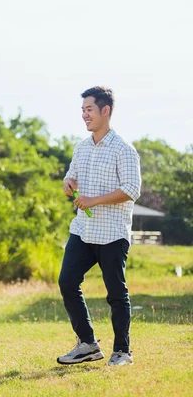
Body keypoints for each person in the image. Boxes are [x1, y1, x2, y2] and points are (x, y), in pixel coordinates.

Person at [57, 87, 141, 366]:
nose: (84, 115)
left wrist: (93, 200)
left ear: (105, 111)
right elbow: (72, 177)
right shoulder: (81, 147)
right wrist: (69, 184)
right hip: (83, 231)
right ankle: (87, 344)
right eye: (82, 110)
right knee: (67, 281)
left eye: (89, 109)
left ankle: (122, 352)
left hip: (112, 233)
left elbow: (131, 189)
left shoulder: (123, 149)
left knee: (116, 293)